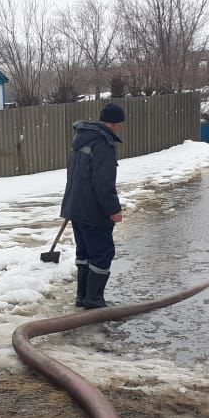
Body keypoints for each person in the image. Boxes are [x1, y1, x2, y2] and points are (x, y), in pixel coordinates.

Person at [60, 103, 124, 308]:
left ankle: (82, 297)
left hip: (75, 207)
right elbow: (103, 182)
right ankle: (94, 299)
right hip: (93, 211)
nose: (120, 128)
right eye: (120, 124)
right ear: (114, 123)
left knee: (85, 253)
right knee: (102, 253)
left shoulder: (81, 140)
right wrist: (113, 209)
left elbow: (74, 175)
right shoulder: (103, 144)